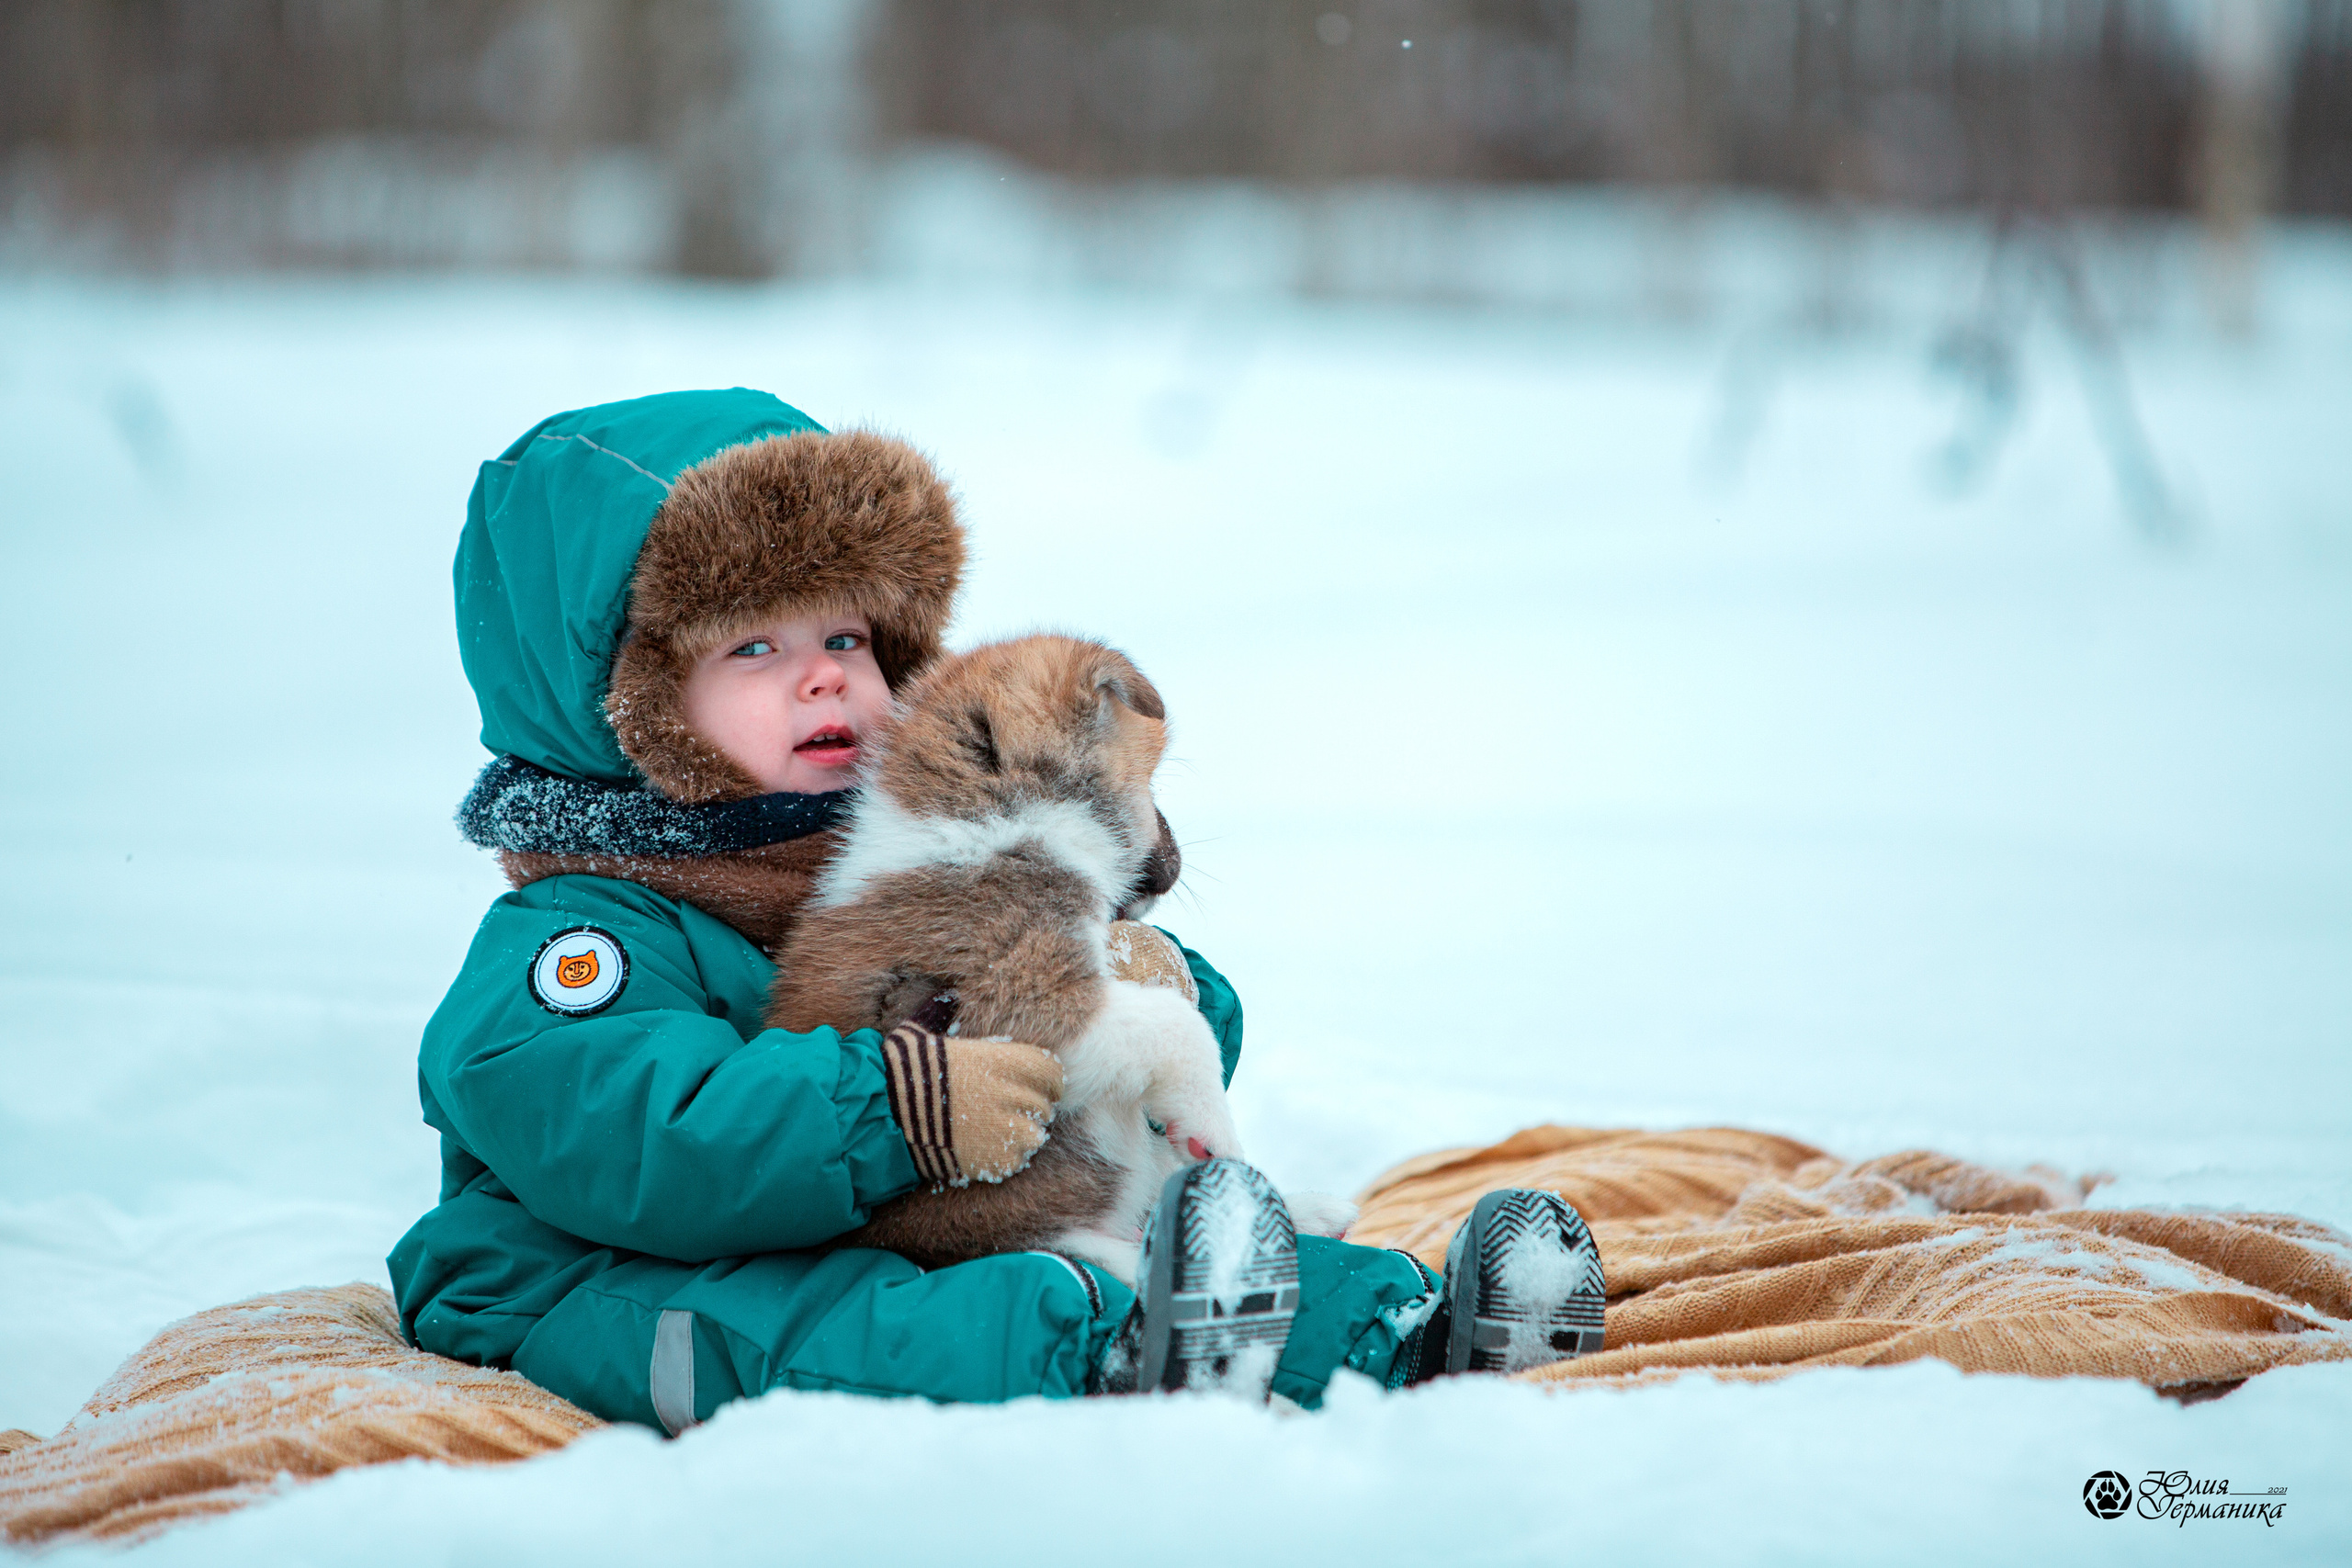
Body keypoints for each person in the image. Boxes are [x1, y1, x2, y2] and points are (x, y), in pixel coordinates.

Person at [388, 388, 1604, 1429]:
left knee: (1135, 1235)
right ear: (622, 704)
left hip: (885, 1214)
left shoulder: (908, 856)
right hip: (606, 1272)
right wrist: (903, 1110)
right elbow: (642, 1142)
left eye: (846, 635)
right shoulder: (580, 943)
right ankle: (1107, 1362)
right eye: (750, 647)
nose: (823, 674)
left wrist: (1144, 989)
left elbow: (1116, 1077)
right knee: (841, 1316)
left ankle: (1411, 1331)